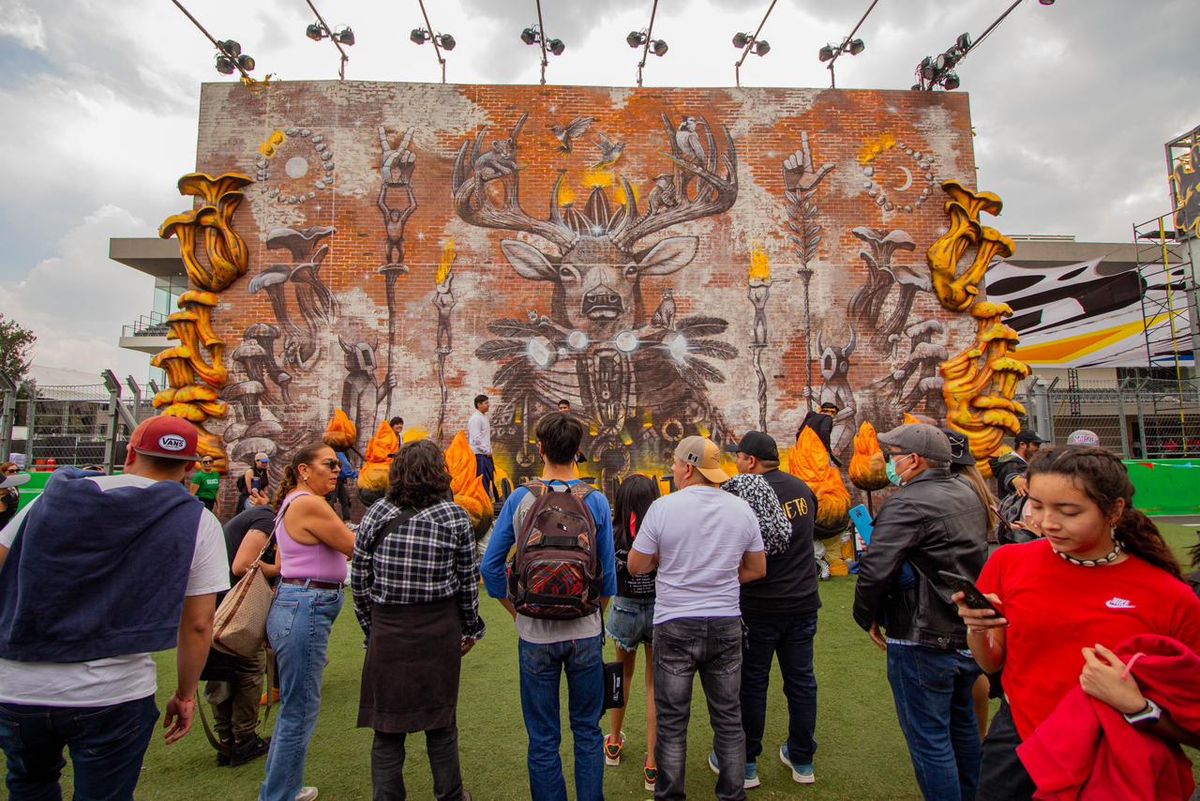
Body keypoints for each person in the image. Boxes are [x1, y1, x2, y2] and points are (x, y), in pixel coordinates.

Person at [0, 416, 228, 800]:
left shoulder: (50, 499)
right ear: (191, 467)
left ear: (130, 452)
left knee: (29, 785)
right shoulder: (197, 520)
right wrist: (186, 693)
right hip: (112, 689)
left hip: (19, 682)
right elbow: (199, 624)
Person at [956, 446, 1200, 801]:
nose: (1046, 522)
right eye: (1036, 505)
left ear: (1114, 510)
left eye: (1068, 511)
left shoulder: (1169, 595)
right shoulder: (1008, 562)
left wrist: (1137, 707)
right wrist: (976, 630)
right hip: (1020, 746)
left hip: (1115, 752)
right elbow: (992, 662)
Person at [480, 412, 616, 801]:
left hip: (534, 634)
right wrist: (594, 611)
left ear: (539, 448)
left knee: (543, 738)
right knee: (588, 731)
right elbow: (608, 576)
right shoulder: (597, 501)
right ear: (579, 451)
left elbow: (490, 566)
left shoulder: (522, 499)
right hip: (586, 632)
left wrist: (517, 611)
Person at [852, 423, 989, 801]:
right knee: (962, 727)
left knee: (930, 738)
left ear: (914, 461)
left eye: (893, 457)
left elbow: (877, 568)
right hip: (963, 630)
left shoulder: (908, 502)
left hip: (921, 634)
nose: (889, 464)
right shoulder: (967, 492)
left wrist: (867, 616)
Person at [628, 436, 767, 801]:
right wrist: (719, 575)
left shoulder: (663, 508)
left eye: (675, 464)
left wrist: (667, 563)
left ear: (687, 467)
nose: (673, 471)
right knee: (728, 720)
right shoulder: (740, 509)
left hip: (675, 623)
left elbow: (636, 565)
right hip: (725, 621)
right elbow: (756, 568)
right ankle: (732, 795)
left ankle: (670, 795)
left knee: (673, 723)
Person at [353, 439, 485, 801]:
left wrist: (373, 629)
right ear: (439, 472)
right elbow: (466, 583)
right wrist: (471, 627)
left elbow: (360, 581)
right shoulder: (455, 516)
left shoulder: (376, 514)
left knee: (386, 729)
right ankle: (452, 796)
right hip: (437, 629)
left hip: (388, 629)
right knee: (441, 723)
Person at [720, 431, 821, 787]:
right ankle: (802, 758)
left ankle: (747, 762)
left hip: (760, 603)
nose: (735, 462)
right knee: (801, 682)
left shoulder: (741, 494)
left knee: (752, 683)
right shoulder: (803, 490)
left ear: (750, 461)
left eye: (739, 457)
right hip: (803, 601)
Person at [259, 443, 355, 801]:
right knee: (299, 710)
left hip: (299, 602)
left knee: (298, 708)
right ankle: (279, 795)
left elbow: (284, 563)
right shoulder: (310, 504)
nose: (337, 470)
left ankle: (284, 788)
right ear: (303, 469)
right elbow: (353, 546)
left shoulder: (290, 504)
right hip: (307, 605)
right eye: (329, 464)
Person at [204, 498, 278, 767]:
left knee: (222, 671)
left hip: (213, 601)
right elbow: (242, 565)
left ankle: (227, 741)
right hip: (233, 608)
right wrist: (279, 568)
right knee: (248, 668)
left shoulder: (259, 516)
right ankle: (244, 740)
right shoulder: (268, 520)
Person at [604, 474, 661, 792]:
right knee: (655, 683)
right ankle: (652, 763)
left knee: (620, 675)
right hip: (658, 611)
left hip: (624, 609)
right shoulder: (662, 531)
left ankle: (613, 742)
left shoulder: (613, 532)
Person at [990, 430, 1045, 501]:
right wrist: (1016, 480)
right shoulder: (1012, 464)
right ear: (1022, 444)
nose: (1038, 448)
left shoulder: (1012, 460)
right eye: (1035, 444)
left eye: (1039, 445)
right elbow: (1011, 475)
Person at [468, 394, 498, 501]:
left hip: (485, 454)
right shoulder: (476, 419)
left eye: (488, 402)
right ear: (479, 405)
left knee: (488, 478)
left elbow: (484, 437)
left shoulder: (483, 417)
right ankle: (482, 501)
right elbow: (476, 438)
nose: (488, 405)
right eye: (486, 403)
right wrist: (486, 451)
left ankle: (487, 500)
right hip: (479, 455)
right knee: (482, 479)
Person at [0, 463, 29, 529]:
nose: (15, 472)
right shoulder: (3, 486)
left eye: (17, 470)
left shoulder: (13, 486)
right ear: (3, 472)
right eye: (11, 471)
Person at [332, 450, 356, 522]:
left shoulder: (342, 450)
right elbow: (345, 466)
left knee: (345, 500)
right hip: (336, 479)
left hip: (340, 479)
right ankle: (332, 521)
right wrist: (355, 474)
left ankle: (347, 520)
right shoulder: (339, 450)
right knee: (331, 501)